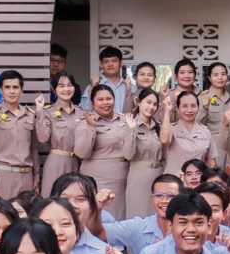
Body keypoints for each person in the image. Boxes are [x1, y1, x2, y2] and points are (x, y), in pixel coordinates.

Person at [0, 70, 40, 200]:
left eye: (15, 87)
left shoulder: (30, 114)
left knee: (27, 216)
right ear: (0, 90)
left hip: (27, 175)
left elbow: (33, 148)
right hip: (5, 174)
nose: (12, 91)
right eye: (7, 87)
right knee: (4, 215)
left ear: (22, 90)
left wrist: (36, 176)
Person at [92, 174, 182, 254]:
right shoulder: (138, 227)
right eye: (158, 195)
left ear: (182, 198)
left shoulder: (191, 228)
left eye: (171, 196)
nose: (164, 200)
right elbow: (98, 232)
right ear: (152, 199)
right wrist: (97, 208)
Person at [77, 85, 134, 220]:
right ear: (92, 102)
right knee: (99, 217)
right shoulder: (86, 121)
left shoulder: (125, 119)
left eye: (109, 98)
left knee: (120, 217)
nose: (105, 103)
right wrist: (91, 128)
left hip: (123, 176)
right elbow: (81, 153)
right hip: (97, 177)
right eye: (100, 99)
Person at [36, 71, 86, 196]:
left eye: (70, 85)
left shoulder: (82, 113)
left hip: (78, 162)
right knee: (53, 199)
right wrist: (39, 111)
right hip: (57, 162)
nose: (66, 89)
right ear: (54, 89)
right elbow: (42, 138)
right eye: (61, 86)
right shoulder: (48, 112)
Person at [125, 87, 167, 218]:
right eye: (148, 102)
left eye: (155, 104)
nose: (151, 107)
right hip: (138, 177)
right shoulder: (129, 124)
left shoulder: (158, 127)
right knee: (138, 215)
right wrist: (132, 130)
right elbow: (128, 155)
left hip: (158, 176)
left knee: (158, 215)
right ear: (138, 102)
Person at [161, 90, 219, 176]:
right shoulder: (172, 129)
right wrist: (167, 111)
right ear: (178, 108)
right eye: (184, 106)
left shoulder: (205, 132)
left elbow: (211, 163)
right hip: (174, 182)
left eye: (193, 106)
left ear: (198, 107)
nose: (189, 110)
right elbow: (164, 140)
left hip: (197, 183)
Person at [82, 45, 128, 114]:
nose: (110, 64)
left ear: (121, 63)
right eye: (106, 61)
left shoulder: (131, 88)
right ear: (101, 65)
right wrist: (92, 88)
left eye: (114, 61)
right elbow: (84, 111)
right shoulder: (93, 87)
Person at [198, 61, 230, 144]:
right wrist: (204, 109)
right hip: (212, 143)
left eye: (223, 74)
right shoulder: (202, 98)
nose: (220, 78)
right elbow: (197, 125)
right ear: (209, 78)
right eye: (215, 75)